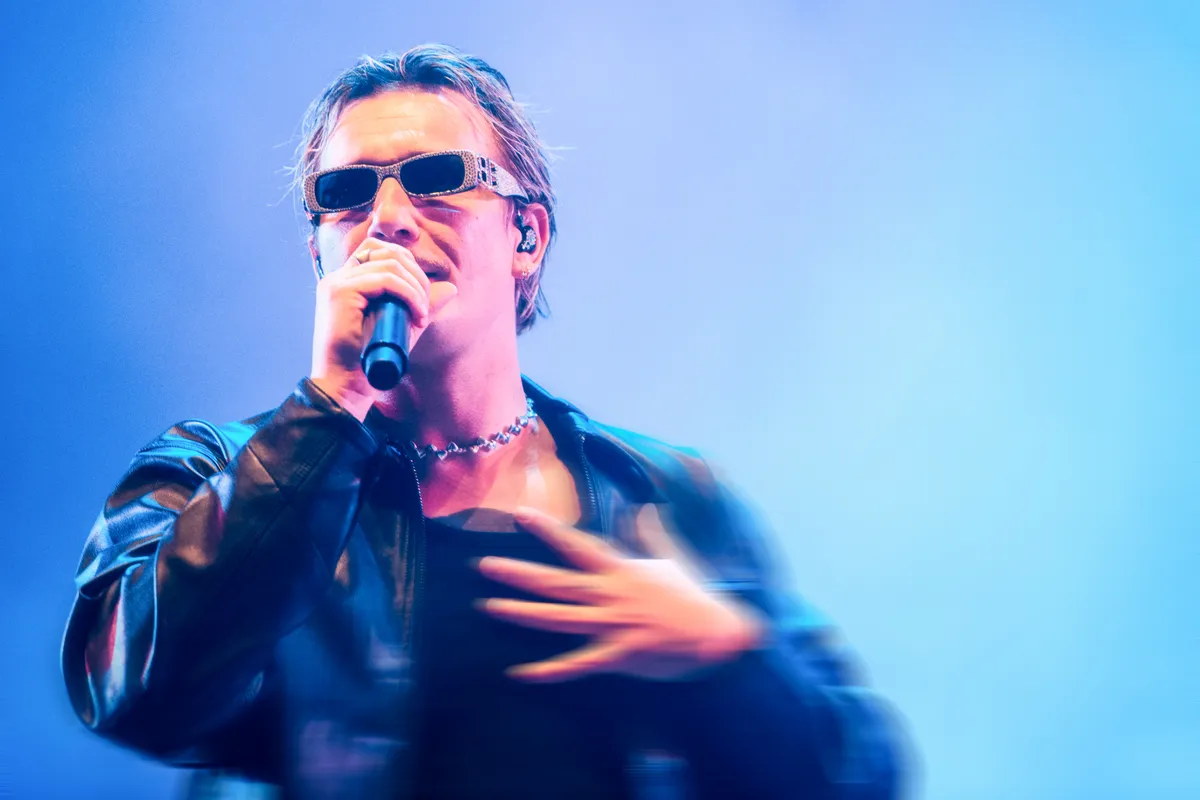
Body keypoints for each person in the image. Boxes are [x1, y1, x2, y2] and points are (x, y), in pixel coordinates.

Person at [61, 44, 909, 799]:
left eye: (436, 178)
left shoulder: (665, 496)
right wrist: (329, 407)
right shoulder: (212, 471)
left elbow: (860, 771)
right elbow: (131, 696)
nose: (388, 217)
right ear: (318, 251)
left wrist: (730, 658)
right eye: (345, 194)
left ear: (526, 235)